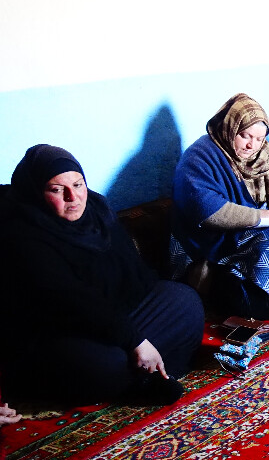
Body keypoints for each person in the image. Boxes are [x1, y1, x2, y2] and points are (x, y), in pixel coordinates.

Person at [0, 145, 205, 407]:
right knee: (101, 365)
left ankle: (146, 372)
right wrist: (135, 341)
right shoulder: (22, 233)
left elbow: (135, 274)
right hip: (61, 332)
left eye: (78, 185)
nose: (73, 197)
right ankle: (135, 382)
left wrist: (136, 325)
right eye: (57, 190)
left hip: (112, 316)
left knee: (184, 302)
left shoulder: (97, 209)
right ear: (35, 193)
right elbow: (73, 302)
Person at [170, 93, 269, 323]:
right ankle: (240, 295)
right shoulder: (200, 157)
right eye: (245, 136)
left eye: (259, 139)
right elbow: (204, 208)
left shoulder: (267, 158)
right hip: (211, 241)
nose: (252, 145)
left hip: (254, 234)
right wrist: (258, 217)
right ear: (230, 128)